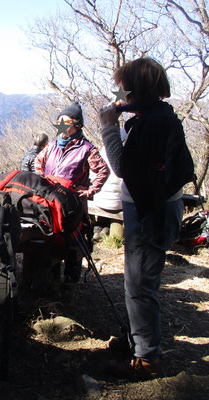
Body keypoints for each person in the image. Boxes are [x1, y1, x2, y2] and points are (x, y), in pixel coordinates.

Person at [99, 57, 194, 379]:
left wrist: (108, 127)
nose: (119, 91)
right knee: (135, 282)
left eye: (123, 86)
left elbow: (123, 168)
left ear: (134, 89)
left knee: (140, 285)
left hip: (151, 212)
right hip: (150, 207)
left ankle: (147, 358)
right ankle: (136, 340)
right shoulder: (155, 116)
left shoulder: (153, 123)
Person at [35, 101, 110, 284]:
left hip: (73, 206)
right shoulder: (52, 145)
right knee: (51, 242)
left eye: (66, 122)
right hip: (51, 203)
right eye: (59, 121)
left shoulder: (87, 149)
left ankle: (71, 285)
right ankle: (50, 283)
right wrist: (43, 181)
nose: (61, 125)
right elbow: (38, 162)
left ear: (76, 125)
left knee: (73, 246)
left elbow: (103, 170)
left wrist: (91, 190)